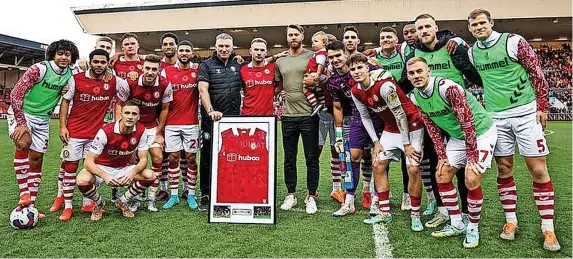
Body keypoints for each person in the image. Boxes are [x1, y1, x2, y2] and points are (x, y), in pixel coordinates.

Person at [467, 8, 560, 251]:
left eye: (481, 23)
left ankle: (548, 228)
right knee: (504, 168)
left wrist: (542, 106)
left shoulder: (513, 42)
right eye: (473, 25)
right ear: (469, 29)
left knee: (538, 169)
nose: (478, 28)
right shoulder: (473, 52)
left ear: (491, 23)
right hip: (496, 118)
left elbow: (536, 72)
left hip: (526, 113)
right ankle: (511, 221)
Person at [407, 57, 497, 248]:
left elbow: (467, 122)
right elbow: (431, 126)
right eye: (412, 73)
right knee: (441, 174)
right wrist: (441, 154)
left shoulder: (448, 88)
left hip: (480, 133)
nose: (416, 76)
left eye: (419, 71)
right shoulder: (415, 96)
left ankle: (473, 228)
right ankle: (457, 223)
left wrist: (472, 155)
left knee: (471, 178)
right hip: (457, 137)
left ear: (428, 71)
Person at [402, 14, 482, 228]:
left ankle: (465, 212)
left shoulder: (453, 47)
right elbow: (404, 85)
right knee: (436, 163)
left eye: (428, 26)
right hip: (433, 118)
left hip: (457, 119)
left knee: (463, 166)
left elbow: (475, 77)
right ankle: (442, 209)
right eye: (420, 28)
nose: (424, 30)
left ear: (436, 27)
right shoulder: (414, 54)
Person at [50, 49, 129, 221]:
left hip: (96, 135)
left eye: (103, 62)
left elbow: (127, 95)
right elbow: (65, 102)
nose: (99, 65)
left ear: (108, 64)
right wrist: (62, 126)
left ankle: (88, 203)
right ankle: (67, 204)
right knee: (69, 167)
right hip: (74, 132)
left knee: (89, 170)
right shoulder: (76, 79)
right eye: (96, 62)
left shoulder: (114, 81)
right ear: (90, 62)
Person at [349, 53, 425, 232]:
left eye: (360, 67)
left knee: (413, 168)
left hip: (412, 125)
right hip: (391, 128)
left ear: (368, 68)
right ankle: (384, 212)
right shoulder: (356, 91)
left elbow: (400, 115)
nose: (356, 71)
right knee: (378, 165)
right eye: (353, 69)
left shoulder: (385, 86)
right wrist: (376, 141)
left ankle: (415, 215)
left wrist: (406, 144)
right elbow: (365, 117)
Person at [8, 39, 78, 218]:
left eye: (67, 54)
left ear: (72, 57)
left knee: (37, 159)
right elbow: (16, 94)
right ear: (52, 54)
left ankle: (31, 206)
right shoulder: (39, 69)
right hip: (23, 113)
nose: (64, 57)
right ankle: (24, 193)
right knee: (24, 142)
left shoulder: (71, 74)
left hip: (43, 119)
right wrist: (22, 123)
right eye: (60, 53)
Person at [326, 41, 382, 215]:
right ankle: (349, 201)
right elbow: (337, 107)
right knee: (351, 158)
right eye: (331, 57)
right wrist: (339, 134)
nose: (335, 60)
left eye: (338, 55)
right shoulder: (333, 81)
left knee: (377, 159)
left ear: (345, 53)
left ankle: (376, 199)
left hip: (377, 117)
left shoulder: (368, 67)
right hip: (357, 119)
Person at [76, 101, 156, 221]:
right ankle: (99, 203)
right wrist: (105, 176)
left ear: (138, 117)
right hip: (102, 167)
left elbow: (144, 160)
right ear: (121, 114)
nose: (130, 116)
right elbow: (88, 162)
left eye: (134, 114)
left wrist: (132, 172)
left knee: (150, 175)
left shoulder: (141, 131)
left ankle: (122, 201)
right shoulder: (105, 131)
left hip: (124, 168)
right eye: (127, 113)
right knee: (82, 180)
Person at [115, 54, 173, 212]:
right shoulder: (131, 82)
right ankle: (135, 198)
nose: (150, 72)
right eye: (147, 68)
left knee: (158, 156)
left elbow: (165, 109)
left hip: (151, 126)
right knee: (134, 161)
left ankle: (151, 199)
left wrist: (159, 133)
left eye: (154, 69)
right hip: (134, 126)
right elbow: (119, 104)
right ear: (142, 68)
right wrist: (122, 127)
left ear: (159, 70)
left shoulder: (165, 84)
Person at [274, 24, 319, 214]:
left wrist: (315, 82)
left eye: (296, 34)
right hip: (288, 116)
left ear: (302, 36)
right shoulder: (280, 61)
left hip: (309, 114)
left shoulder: (311, 57)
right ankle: (291, 194)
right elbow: (277, 86)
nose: (293, 37)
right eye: (290, 34)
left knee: (311, 158)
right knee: (289, 158)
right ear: (287, 38)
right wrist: (279, 94)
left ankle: (311, 196)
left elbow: (319, 78)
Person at [198, 33, 243, 211]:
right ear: (215, 47)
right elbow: (202, 90)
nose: (224, 49)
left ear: (232, 48)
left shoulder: (238, 65)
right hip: (212, 121)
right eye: (221, 46)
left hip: (233, 121)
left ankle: (229, 191)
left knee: (232, 157)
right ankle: (206, 194)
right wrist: (210, 111)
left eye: (227, 46)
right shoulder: (206, 65)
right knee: (208, 157)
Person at [160, 40, 200, 210]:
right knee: (173, 158)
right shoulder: (166, 71)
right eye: (181, 50)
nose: (184, 53)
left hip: (191, 124)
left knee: (191, 158)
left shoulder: (198, 70)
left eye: (187, 50)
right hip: (171, 124)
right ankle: (174, 194)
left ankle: (191, 193)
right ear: (177, 52)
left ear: (192, 53)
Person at [240, 38, 276, 116]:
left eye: (262, 50)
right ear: (250, 51)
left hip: (268, 117)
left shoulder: (273, 68)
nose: (259, 53)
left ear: (266, 52)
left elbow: (278, 87)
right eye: (256, 49)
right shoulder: (243, 70)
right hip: (248, 115)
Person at [304, 31, 328, 115]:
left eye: (316, 41)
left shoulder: (321, 53)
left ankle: (315, 104)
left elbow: (320, 64)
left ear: (324, 43)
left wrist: (317, 75)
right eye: (312, 42)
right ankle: (322, 103)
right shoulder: (318, 53)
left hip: (316, 74)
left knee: (305, 89)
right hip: (317, 75)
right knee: (318, 90)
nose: (313, 44)